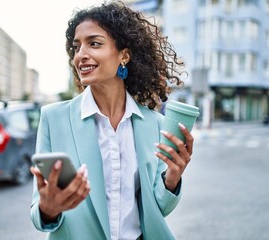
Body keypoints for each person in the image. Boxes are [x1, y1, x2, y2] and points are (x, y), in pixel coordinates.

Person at [30, 1, 194, 239]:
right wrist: (49, 209)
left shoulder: (154, 124)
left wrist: (172, 178)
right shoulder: (53, 118)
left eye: (94, 44)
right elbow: (39, 214)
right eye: (76, 48)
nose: (81, 56)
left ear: (124, 56)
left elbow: (157, 210)